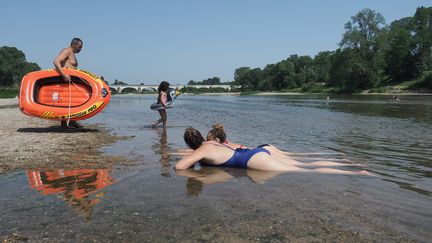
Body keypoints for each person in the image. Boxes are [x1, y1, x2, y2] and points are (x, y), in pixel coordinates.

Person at [175, 127, 370, 176]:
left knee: (305, 171)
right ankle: (350, 166)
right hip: (254, 154)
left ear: (191, 145)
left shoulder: (200, 151)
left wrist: (193, 160)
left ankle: (355, 173)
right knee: (304, 164)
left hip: (252, 163)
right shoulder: (214, 144)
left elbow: (179, 168)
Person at [206, 124, 362, 168]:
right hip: (263, 148)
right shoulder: (229, 143)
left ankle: (349, 166)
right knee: (302, 159)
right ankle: (342, 160)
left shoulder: (220, 147)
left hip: (258, 154)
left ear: (216, 140)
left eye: (209, 140)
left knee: (304, 165)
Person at [53, 38, 84, 128]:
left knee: (72, 101)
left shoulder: (72, 53)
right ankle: (64, 123)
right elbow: (56, 61)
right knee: (65, 101)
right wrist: (63, 75)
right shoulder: (67, 51)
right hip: (65, 81)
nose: (80, 49)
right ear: (74, 45)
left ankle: (72, 121)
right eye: (79, 47)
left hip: (71, 81)